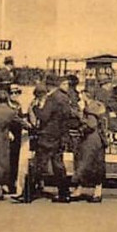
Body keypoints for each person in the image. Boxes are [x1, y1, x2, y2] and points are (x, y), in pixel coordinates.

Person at [29, 74, 78, 203]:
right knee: (58, 166)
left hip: (48, 136)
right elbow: (68, 116)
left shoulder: (52, 98)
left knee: (38, 165)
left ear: (48, 85)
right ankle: (64, 193)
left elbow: (44, 116)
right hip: (60, 136)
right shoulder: (64, 98)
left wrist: (36, 108)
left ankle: (27, 194)